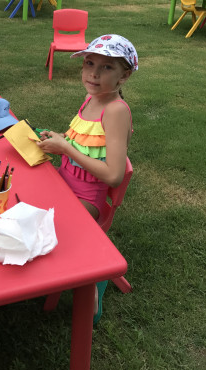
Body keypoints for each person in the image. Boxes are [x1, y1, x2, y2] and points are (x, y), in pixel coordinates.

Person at [36, 34, 138, 323]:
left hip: (87, 198)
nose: (93, 73)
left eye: (106, 67)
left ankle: (95, 278)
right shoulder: (90, 99)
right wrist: (59, 139)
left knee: (44, 227)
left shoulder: (116, 111)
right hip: (63, 181)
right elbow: (84, 142)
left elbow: (114, 176)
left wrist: (66, 149)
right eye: (89, 63)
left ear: (123, 76)